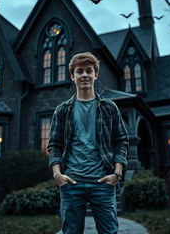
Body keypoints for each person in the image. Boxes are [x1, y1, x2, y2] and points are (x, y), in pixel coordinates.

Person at [47, 52, 129, 234]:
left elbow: (121, 141)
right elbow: (54, 145)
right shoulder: (63, 110)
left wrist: (117, 173)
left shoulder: (109, 108)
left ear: (96, 74)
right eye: (80, 71)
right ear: (72, 76)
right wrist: (57, 174)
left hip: (103, 183)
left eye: (89, 71)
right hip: (71, 183)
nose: (84, 75)